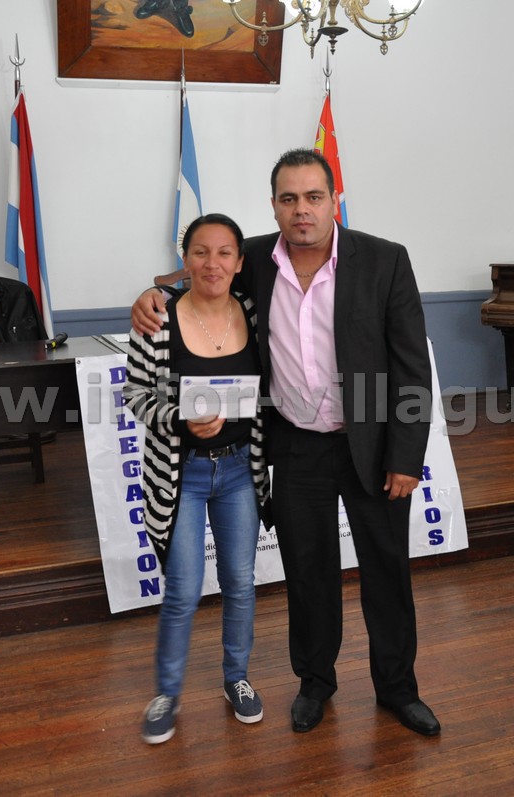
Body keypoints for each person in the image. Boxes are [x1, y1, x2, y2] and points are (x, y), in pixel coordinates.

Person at [132, 149, 440, 737]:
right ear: (273, 205)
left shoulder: (385, 260)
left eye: (314, 197)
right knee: (308, 574)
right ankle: (315, 683)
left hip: (373, 448)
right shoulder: (253, 258)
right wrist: (150, 295)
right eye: (289, 198)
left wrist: (407, 457)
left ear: (334, 200)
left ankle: (398, 689)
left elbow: (411, 369)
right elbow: (199, 273)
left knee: (386, 574)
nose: (303, 210)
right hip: (297, 448)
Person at [124, 213, 273, 745]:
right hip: (179, 474)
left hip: (239, 469)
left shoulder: (253, 311)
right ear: (185, 260)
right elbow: (135, 395)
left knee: (240, 583)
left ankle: (237, 678)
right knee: (183, 591)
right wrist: (179, 419)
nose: (213, 263)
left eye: (224, 252)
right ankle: (167, 693)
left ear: (239, 261)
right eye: (201, 252)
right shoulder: (157, 319)